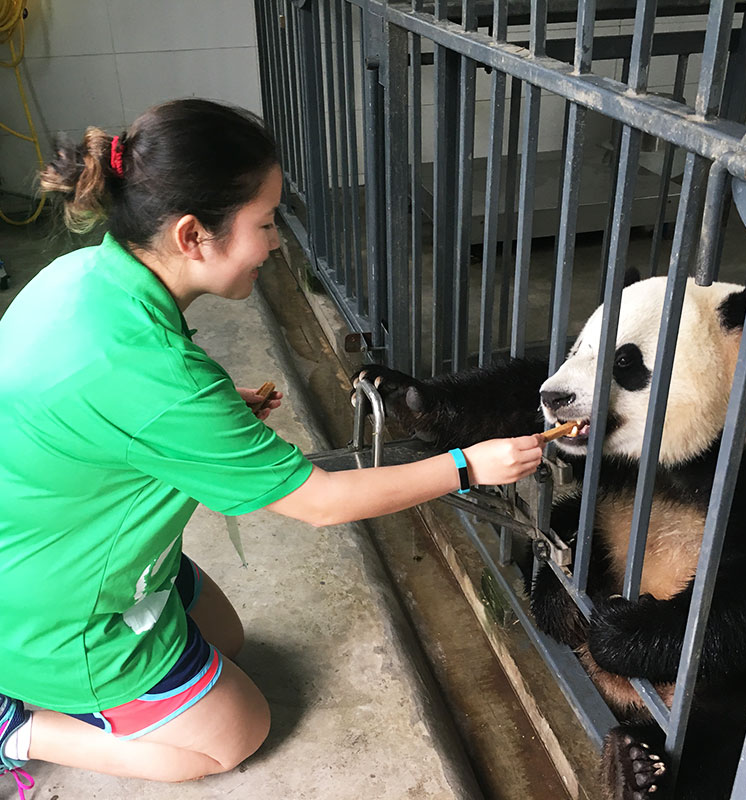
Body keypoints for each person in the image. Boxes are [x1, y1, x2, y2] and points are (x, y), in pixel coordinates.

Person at [0, 98, 543, 791]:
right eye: (265, 224)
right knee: (235, 734)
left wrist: (215, 418)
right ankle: (15, 726)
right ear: (195, 235)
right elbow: (318, 503)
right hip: (52, 612)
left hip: (31, 551)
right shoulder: (166, 384)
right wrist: (467, 465)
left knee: (226, 638)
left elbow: (108, 416)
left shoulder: (79, 278)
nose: (276, 243)